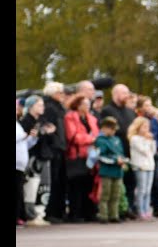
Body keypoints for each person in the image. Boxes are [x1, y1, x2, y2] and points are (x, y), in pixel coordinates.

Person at [101, 84, 139, 218]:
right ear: (116, 94)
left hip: (131, 152)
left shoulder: (130, 111)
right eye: (124, 93)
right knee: (117, 186)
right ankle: (116, 211)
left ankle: (128, 207)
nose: (127, 96)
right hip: (116, 152)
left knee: (131, 182)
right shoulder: (107, 110)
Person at [63, 94, 100, 223]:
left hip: (91, 156)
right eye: (85, 104)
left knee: (89, 184)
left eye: (88, 104)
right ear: (78, 105)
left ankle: (89, 212)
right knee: (76, 186)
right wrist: (91, 139)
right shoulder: (70, 117)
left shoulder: (92, 118)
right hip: (76, 156)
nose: (87, 107)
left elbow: (96, 134)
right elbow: (73, 136)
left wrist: (94, 140)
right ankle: (76, 213)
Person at [40, 82, 70, 223]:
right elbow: (48, 127)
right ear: (53, 93)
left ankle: (59, 211)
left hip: (61, 147)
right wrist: (55, 140)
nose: (63, 95)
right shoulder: (50, 107)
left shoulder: (59, 107)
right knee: (54, 181)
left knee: (60, 181)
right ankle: (51, 212)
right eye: (60, 93)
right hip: (54, 148)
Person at [93, 116, 128, 223]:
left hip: (117, 170)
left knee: (116, 194)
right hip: (107, 170)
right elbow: (101, 156)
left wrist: (122, 160)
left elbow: (120, 153)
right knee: (105, 194)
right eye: (111, 129)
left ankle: (114, 215)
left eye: (114, 129)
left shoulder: (116, 140)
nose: (113, 131)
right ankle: (103, 215)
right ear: (104, 128)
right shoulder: (100, 140)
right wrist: (114, 160)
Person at [128, 116, 157, 221]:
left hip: (150, 165)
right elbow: (143, 150)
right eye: (144, 127)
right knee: (142, 190)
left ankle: (146, 210)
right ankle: (140, 211)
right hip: (140, 166)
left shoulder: (147, 139)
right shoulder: (135, 139)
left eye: (147, 127)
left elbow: (152, 151)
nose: (146, 129)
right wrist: (147, 140)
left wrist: (152, 141)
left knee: (148, 190)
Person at [17, 103, 40, 226]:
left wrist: (32, 138)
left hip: (20, 165)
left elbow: (25, 144)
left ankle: (20, 216)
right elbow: (19, 138)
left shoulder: (18, 125)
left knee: (20, 192)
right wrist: (25, 135)